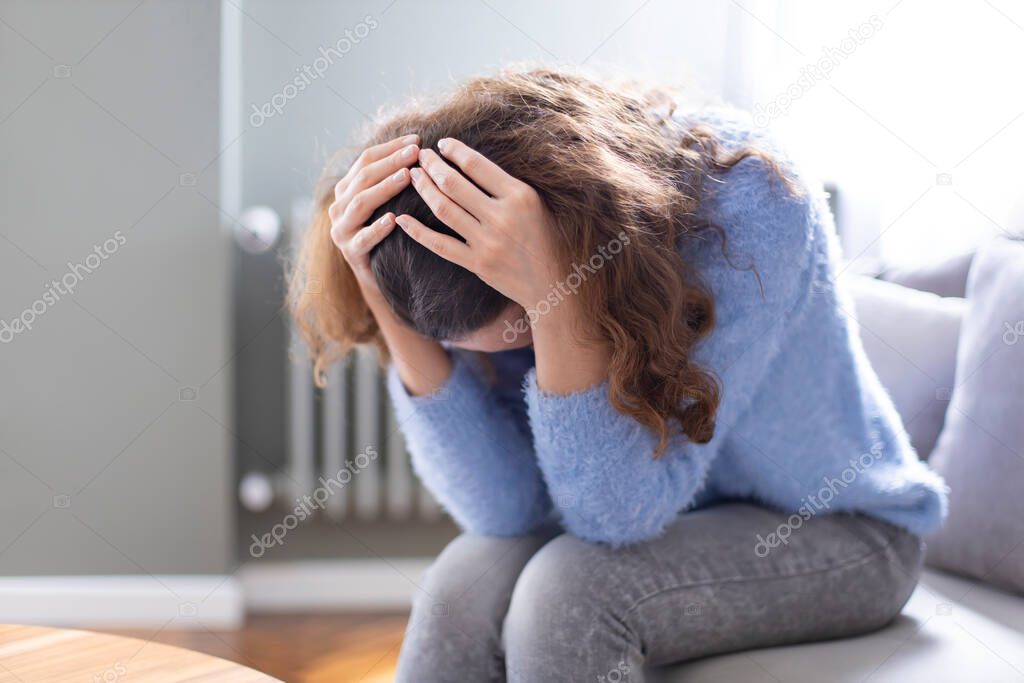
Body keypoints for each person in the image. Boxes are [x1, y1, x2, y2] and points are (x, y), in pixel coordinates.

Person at [289, 68, 947, 682]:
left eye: (516, 331)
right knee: (458, 585)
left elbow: (615, 516)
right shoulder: (467, 245)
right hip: (660, 513)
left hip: (843, 528)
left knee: (567, 595)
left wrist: (555, 294)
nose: (505, 354)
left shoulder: (754, 204)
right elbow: (502, 509)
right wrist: (379, 291)